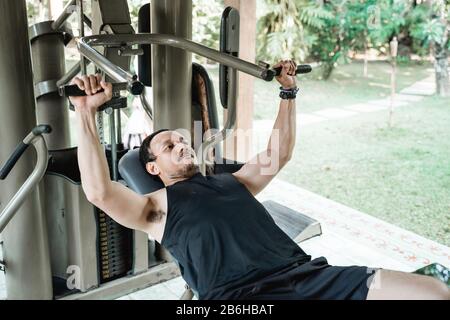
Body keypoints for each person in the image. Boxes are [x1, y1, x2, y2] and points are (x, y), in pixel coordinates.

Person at [70, 61, 450, 300]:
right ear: (152, 169)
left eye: (184, 139)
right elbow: (99, 192)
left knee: (431, 292)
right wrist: (85, 113)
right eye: (169, 145)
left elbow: (279, 153)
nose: (182, 144)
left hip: (311, 279)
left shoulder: (234, 181)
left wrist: (288, 92)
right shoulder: (155, 209)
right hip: (243, 301)